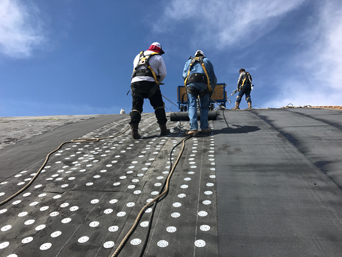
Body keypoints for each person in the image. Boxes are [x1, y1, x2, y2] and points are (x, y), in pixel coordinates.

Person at [129, 42, 170, 139]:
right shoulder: (158, 57)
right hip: (150, 83)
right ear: (159, 50)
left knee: (136, 107)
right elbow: (163, 73)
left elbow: (134, 70)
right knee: (158, 106)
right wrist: (157, 82)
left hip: (136, 83)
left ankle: (134, 130)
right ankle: (163, 129)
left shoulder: (137, 56)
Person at [182, 50, 217, 135]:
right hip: (203, 84)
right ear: (203, 55)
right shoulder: (207, 61)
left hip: (191, 83)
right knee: (204, 106)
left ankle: (193, 128)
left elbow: (184, 75)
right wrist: (211, 88)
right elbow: (212, 76)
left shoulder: (189, 61)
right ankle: (204, 127)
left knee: (192, 105)